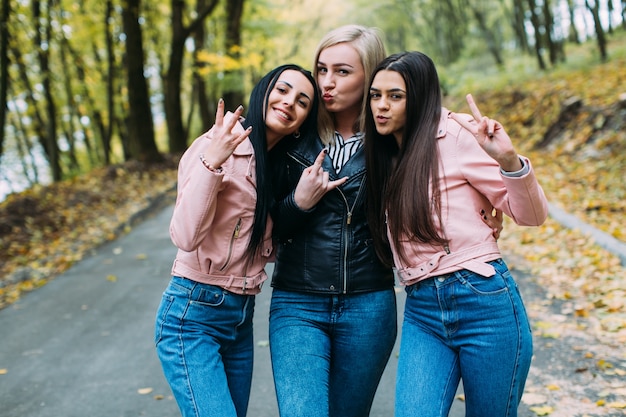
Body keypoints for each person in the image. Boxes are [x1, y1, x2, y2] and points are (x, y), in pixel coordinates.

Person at [268, 26, 502, 417]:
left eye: (342, 72)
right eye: (322, 69)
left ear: (372, 74)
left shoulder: (396, 143)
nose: (326, 82)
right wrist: (299, 202)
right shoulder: (293, 132)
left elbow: (445, 182)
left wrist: (485, 207)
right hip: (298, 301)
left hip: (368, 304)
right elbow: (264, 221)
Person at [364, 51, 549, 417]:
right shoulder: (384, 152)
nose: (381, 106)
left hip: (483, 302)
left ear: (419, 96)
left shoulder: (458, 135)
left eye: (395, 96)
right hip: (422, 310)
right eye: (375, 95)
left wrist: (509, 161)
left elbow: (531, 215)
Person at [154, 64, 320, 417]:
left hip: (240, 318)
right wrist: (212, 162)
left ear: (304, 121)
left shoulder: (275, 166)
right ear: (263, 91)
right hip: (192, 315)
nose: (289, 102)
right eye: (283, 90)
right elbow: (184, 235)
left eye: (302, 101)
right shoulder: (216, 144)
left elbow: (263, 247)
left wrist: (300, 204)